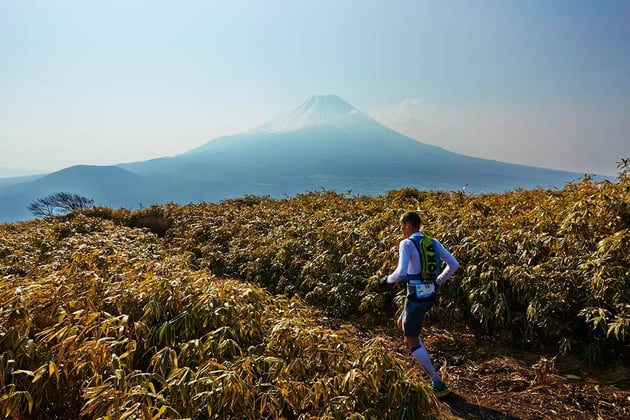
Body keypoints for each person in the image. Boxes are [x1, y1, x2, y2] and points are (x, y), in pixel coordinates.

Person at [379, 211, 459, 397]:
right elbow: (453, 264)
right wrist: (438, 281)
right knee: (401, 322)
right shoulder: (433, 242)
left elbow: (400, 272)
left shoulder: (406, 243)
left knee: (411, 340)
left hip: (415, 297)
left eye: (401, 226)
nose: (400, 230)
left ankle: (436, 382)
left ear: (408, 225)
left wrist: (386, 280)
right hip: (428, 295)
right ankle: (425, 357)